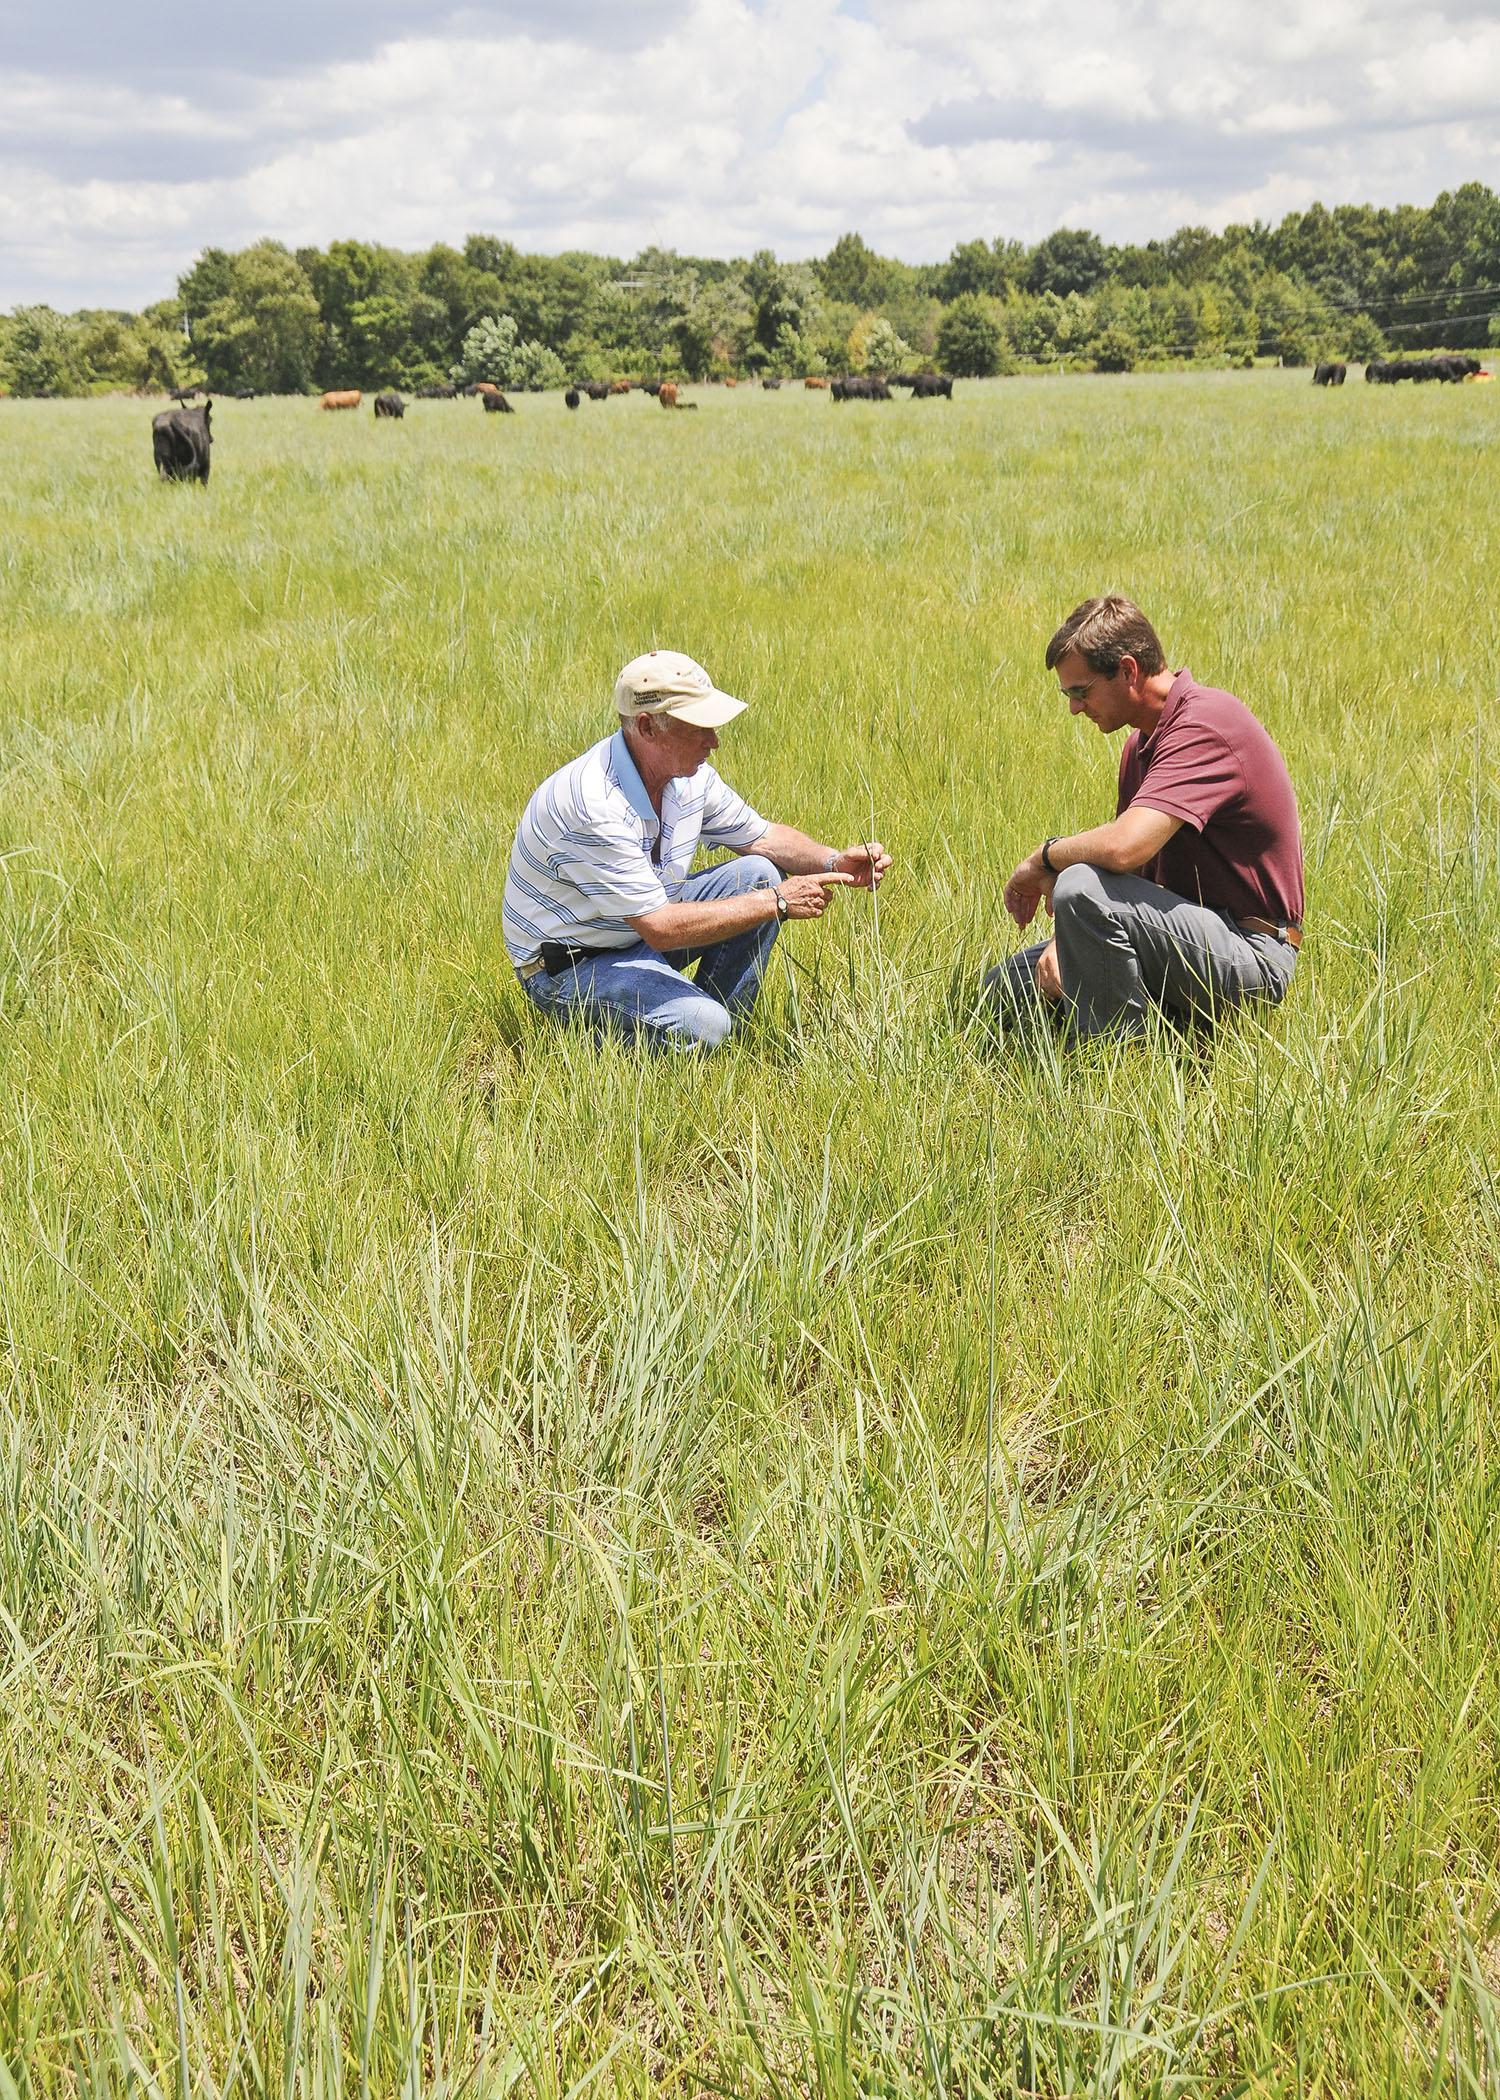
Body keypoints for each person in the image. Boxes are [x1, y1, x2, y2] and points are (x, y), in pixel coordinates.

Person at [504, 649, 892, 1049]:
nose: (714, 741)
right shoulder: (593, 804)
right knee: (704, 1025)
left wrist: (833, 860)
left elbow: (762, 838)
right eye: (699, 727)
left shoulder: (689, 777)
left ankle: (718, 1034)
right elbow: (659, 927)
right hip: (569, 968)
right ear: (647, 727)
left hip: (633, 931)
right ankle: (686, 1035)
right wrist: (777, 902)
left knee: (759, 873)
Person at [987, 596, 1303, 1039]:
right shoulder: (1140, 749)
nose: (1075, 708)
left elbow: (1123, 847)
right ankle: (1161, 1030)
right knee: (1002, 991)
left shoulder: (1205, 724)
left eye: (1081, 691)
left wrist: (1044, 857)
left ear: (1129, 671)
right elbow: (1128, 877)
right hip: (1186, 937)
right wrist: (1065, 942)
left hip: (1252, 953)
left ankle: (1116, 1068)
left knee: (1078, 887)